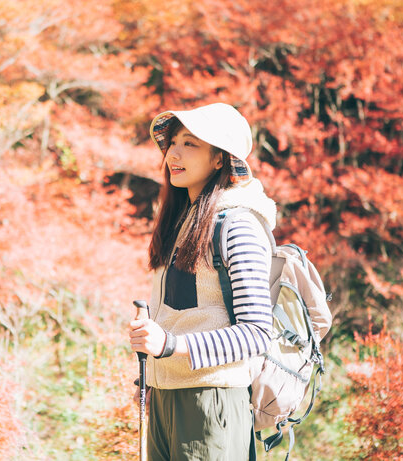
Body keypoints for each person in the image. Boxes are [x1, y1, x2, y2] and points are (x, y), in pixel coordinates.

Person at [128, 103, 277, 461]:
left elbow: (257, 333)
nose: (174, 154)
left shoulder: (237, 225)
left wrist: (169, 344)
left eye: (190, 143)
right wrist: (153, 377)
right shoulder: (184, 221)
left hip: (211, 400)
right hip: (167, 396)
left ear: (219, 159)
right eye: (173, 143)